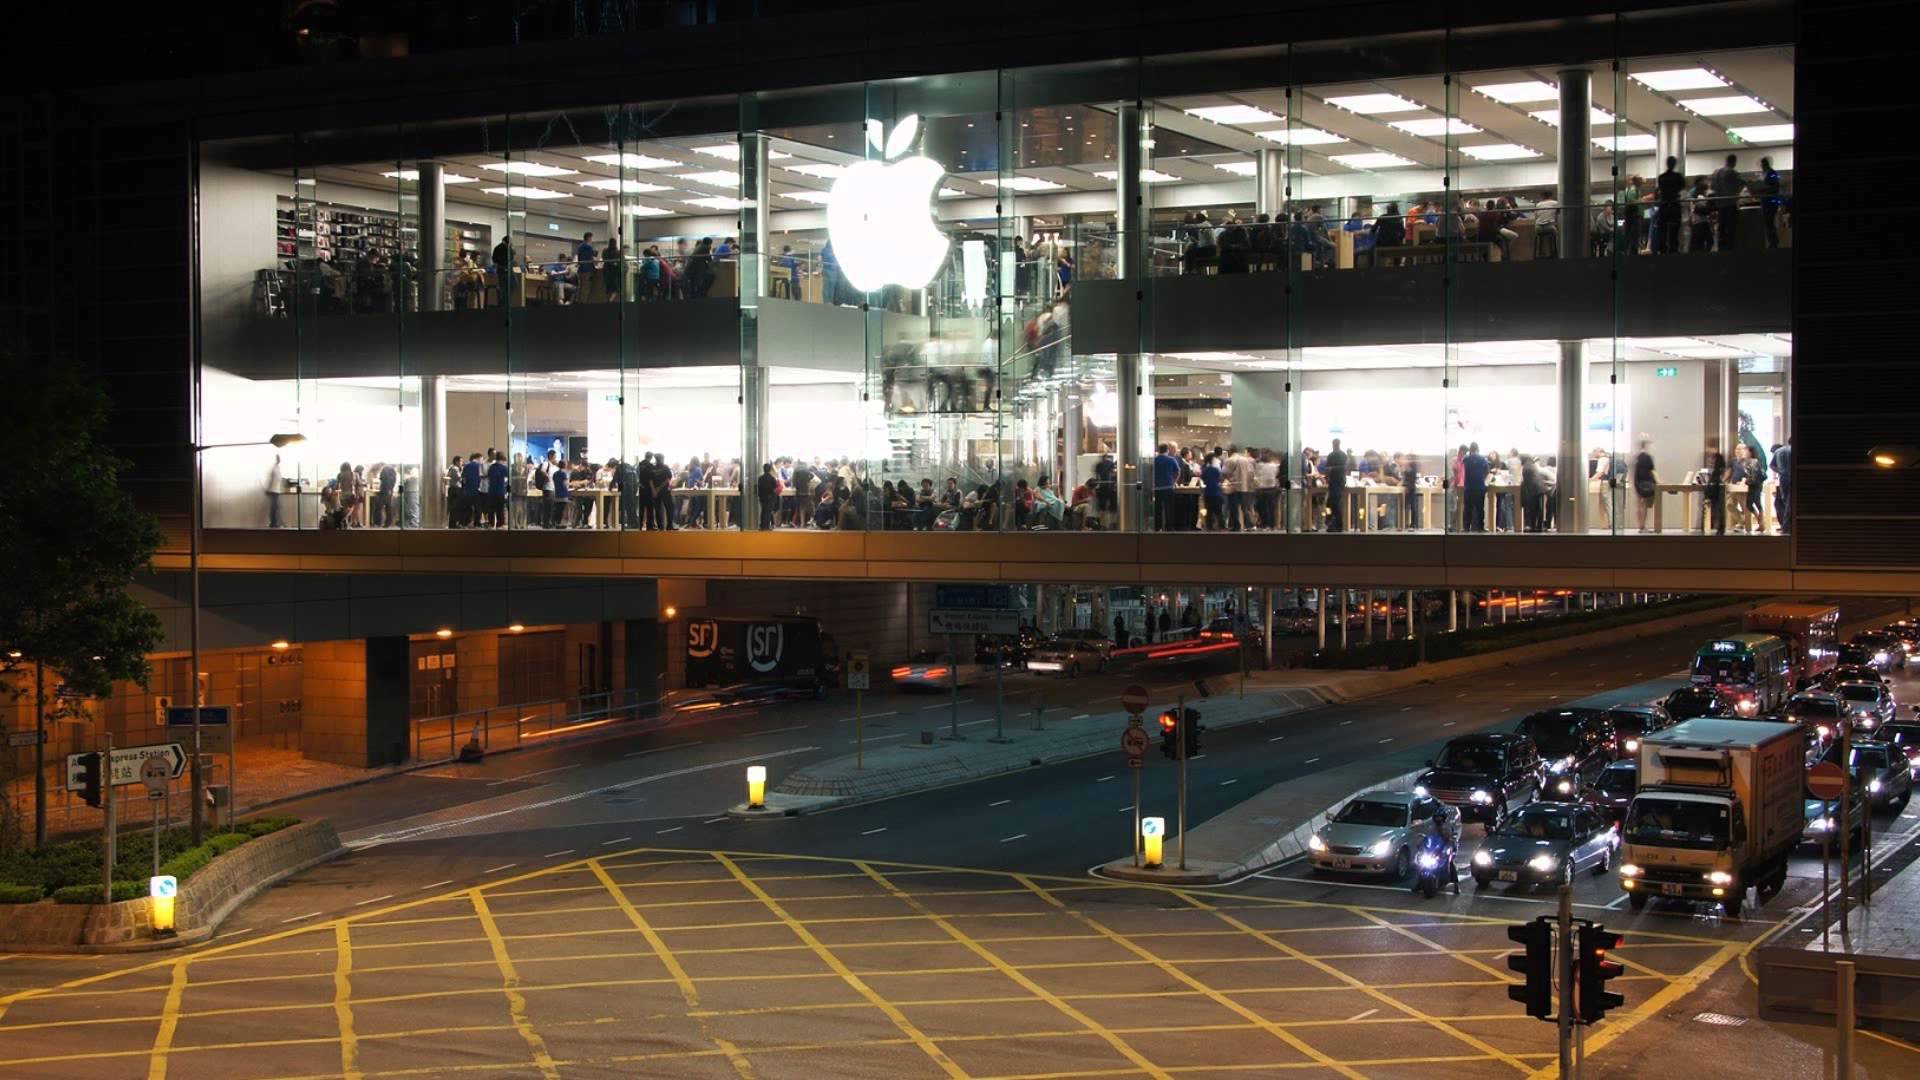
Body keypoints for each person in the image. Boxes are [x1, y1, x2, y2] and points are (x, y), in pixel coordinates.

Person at [1710, 154, 1744, 252]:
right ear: (1734, 162)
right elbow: (1738, 186)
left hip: (1720, 204)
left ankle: (1721, 248)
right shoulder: (1733, 173)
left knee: (1722, 227)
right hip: (1730, 203)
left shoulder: (1716, 173)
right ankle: (1730, 249)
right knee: (1730, 228)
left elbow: (1712, 187)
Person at [1656, 156, 1686, 255]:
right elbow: (1682, 186)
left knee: (1662, 230)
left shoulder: (1661, 177)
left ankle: (1663, 250)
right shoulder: (1678, 177)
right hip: (1674, 205)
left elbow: (1660, 190)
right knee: (1674, 230)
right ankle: (1673, 249)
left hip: (1664, 204)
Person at [1631, 437, 1658, 533]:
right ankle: (1643, 526)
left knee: (1638, 504)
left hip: (1637, 482)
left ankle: (1640, 526)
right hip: (1647, 482)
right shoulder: (1648, 457)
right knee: (1645, 505)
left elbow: (1633, 471)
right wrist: (1659, 481)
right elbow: (1652, 471)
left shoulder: (1636, 457)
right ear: (1646, 446)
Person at [1152, 443, 1181, 531]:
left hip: (1157, 488)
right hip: (1168, 487)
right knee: (1169, 509)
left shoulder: (1154, 460)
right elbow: (1178, 471)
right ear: (1167, 450)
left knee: (1158, 509)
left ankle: (1158, 527)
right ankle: (1169, 527)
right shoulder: (1171, 460)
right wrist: (1174, 482)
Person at [1756, 156, 1783, 249]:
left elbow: (1775, 187)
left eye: (1762, 164)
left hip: (1770, 202)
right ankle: (1772, 241)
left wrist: (1764, 189)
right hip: (1765, 202)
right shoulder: (1765, 174)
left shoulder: (1772, 173)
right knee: (1768, 223)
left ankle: (1774, 242)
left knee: (1769, 222)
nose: (1761, 166)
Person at [1462, 442, 1489, 532]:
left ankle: (1466, 527)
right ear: (1478, 449)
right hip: (1479, 487)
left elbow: (1462, 471)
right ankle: (1480, 527)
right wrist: (1482, 479)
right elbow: (1487, 471)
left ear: (1470, 449)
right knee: (1480, 509)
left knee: (1467, 508)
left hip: (1468, 487)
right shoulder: (1482, 459)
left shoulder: (1466, 459)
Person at [1324, 438, 1349, 533]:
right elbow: (1345, 468)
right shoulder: (1344, 455)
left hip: (1333, 481)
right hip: (1341, 480)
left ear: (1333, 444)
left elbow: (1327, 469)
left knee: (1332, 503)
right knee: (1336, 502)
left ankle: (1332, 522)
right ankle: (1338, 524)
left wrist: (1327, 478)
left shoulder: (1331, 455)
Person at [1702, 442, 1727, 535]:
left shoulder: (1719, 458)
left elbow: (1721, 471)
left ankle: (1720, 527)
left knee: (1719, 508)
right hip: (1712, 486)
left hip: (1717, 487)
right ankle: (1712, 526)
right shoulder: (1710, 458)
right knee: (1713, 507)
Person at [1687, 177, 1714, 253]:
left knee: (1698, 243)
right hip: (1701, 222)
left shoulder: (1695, 197)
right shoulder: (1700, 197)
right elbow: (1703, 210)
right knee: (1707, 241)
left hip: (1697, 222)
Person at [1771, 439, 1792, 532]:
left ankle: (1785, 526)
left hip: (1783, 479)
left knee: (1785, 501)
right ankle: (1786, 526)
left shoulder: (1778, 451)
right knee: (1789, 502)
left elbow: (1771, 465)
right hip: (1793, 477)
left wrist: (1781, 471)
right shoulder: (1793, 450)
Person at [1200, 453, 1224, 531]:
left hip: (1207, 493)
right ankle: (1221, 526)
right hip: (1216, 492)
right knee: (1219, 511)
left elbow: (1203, 480)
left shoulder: (1204, 470)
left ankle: (1209, 526)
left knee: (1209, 512)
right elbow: (1220, 479)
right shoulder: (1216, 470)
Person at [1401, 451, 1421, 531]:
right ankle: (1413, 524)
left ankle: (1413, 524)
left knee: (1411, 506)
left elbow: (1409, 478)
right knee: (1412, 506)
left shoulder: (1412, 467)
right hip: (1411, 487)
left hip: (1410, 488)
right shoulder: (1411, 467)